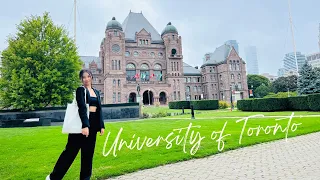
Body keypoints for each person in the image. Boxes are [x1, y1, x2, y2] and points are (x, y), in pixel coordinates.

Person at [46, 69, 105, 180]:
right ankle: (53, 177)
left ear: (91, 77)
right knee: (69, 153)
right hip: (80, 126)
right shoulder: (80, 90)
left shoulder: (96, 92)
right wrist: (85, 125)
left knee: (88, 155)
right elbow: (82, 108)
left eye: (88, 76)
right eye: (83, 77)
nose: (86, 79)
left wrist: (101, 125)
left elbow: (99, 109)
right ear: (81, 79)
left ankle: (85, 178)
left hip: (92, 127)